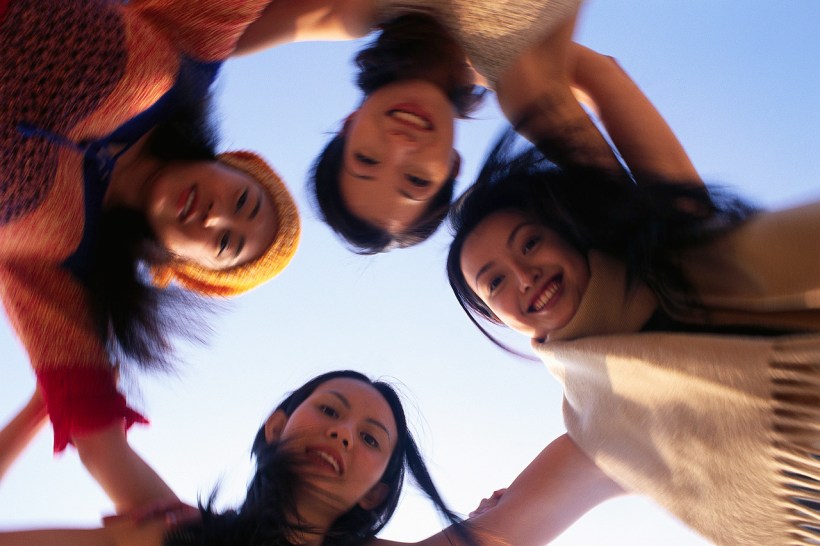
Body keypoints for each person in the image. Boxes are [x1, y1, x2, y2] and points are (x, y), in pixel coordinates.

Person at [446, 48, 820, 544]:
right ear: (498, 318)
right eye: (494, 283)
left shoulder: (679, 246)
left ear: (567, 231)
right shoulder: (595, 427)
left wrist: (479, 50)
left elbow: (595, 76)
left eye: (531, 242)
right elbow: (494, 538)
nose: (524, 275)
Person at [1, 0, 300, 514]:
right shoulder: (187, 59)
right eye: (242, 200)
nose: (216, 215)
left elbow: (101, 444)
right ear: (232, 166)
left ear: (185, 269)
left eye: (226, 243)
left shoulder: (65, 271)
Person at [0, 370, 480, 546]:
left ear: (377, 492)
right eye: (330, 409)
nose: (343, 433)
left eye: (372, 439)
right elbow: (100, 443)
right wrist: (41, 404)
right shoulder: (179, 534)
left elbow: (518, 525)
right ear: (276, 427)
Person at [305, 3, 631, 253]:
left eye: (367, 160)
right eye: (416, 180)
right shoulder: (522, 82)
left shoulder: (349, 11)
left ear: (349, 124)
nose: (400, 146)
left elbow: (253, 29)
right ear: (452, 165)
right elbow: (604, 76)